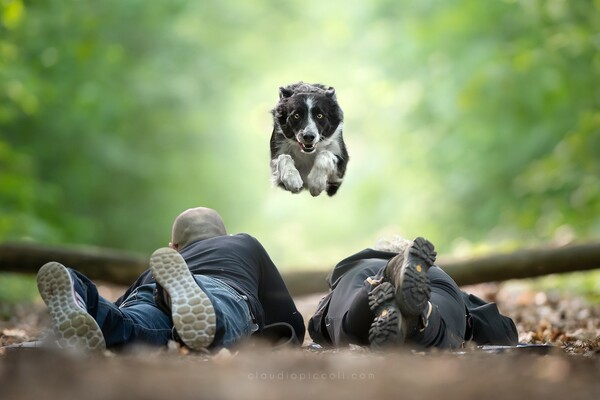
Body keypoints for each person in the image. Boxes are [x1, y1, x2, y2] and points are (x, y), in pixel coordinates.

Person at [36, 207, 305, 352]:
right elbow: (284, 310)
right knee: (219, 313)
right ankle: (201, 309)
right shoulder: (244, 243)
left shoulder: (153, 272)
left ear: (174, 248)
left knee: (128, 323)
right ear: (225, 234)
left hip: (154, 290)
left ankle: (78, 291)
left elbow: (121, 305)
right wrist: (293, 331)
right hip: (221, 290)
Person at [308, 236, 518, 349]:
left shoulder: (353, 266)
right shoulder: (430, 271)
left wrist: (325, 321)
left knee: (345, 324)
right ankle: (422, 316)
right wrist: (472, 324)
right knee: (442, 325)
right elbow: (503, 330)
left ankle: (377, 292)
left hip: (361, 274)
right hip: (436, 279)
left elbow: (319, 327)